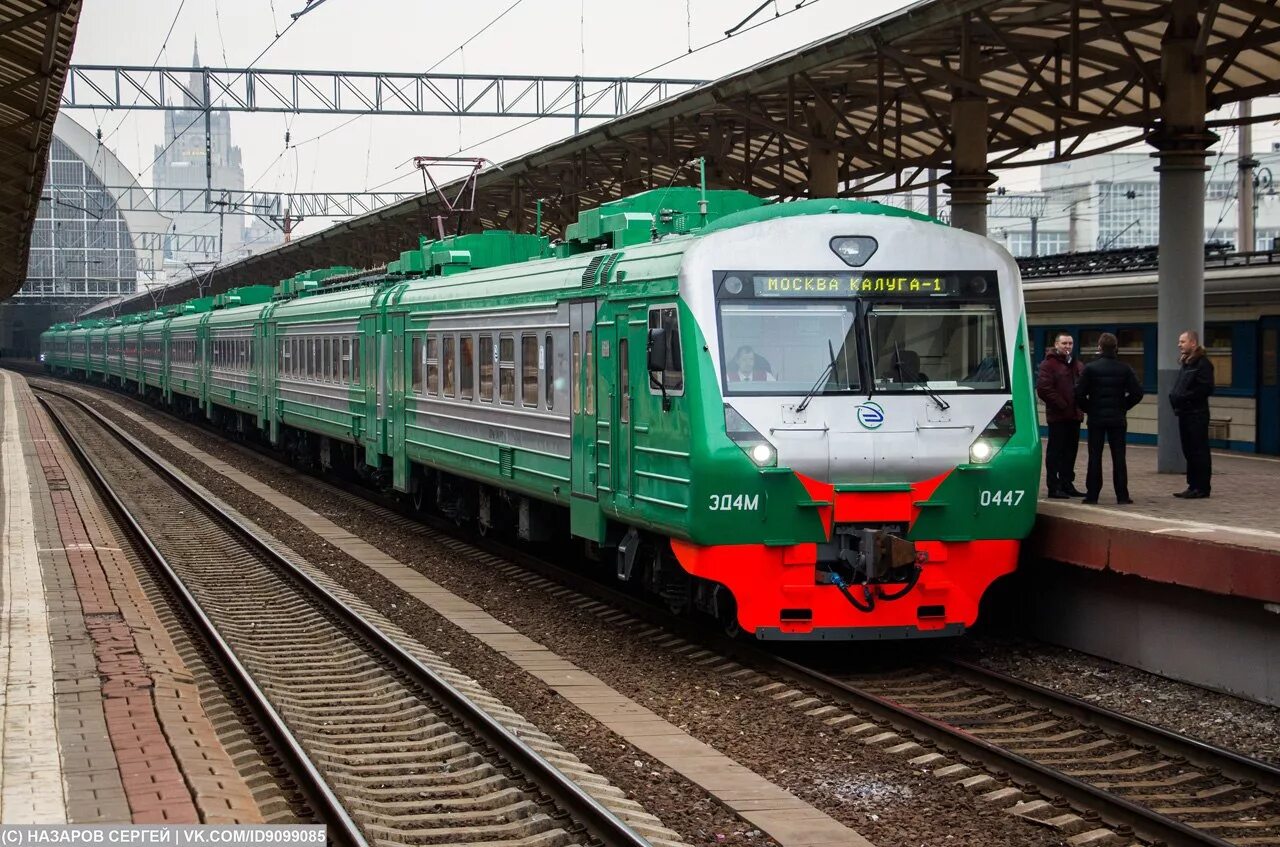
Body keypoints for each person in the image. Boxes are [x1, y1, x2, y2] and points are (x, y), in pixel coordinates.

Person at [1074, 332, 1144, 505]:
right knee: (1119, 457)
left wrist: (1089, 408)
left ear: (1099, 348)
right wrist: (1123, 406)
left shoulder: (1090, 368)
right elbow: (1137, 393)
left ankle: (1092, 495)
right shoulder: (1125, 368)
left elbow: (1079, 393)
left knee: (1095, 456)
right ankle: (1122, 495)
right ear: (1116, 348)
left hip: (1096, 419)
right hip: (1118, 419)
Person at [1036, 332, 1085, 498]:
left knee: (1070, 452)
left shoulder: (1077, 365)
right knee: (1055, 452)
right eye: (1064, 343)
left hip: (1075, 416)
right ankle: (1053, 486)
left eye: (1070, 343)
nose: (1068, 347)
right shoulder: (1048, 365)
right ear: (1056, 344)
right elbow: (1044, 389)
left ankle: (1067, 483)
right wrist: (1062, 404)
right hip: (1058, 416)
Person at [1169, 329, 1215, 498]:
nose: (1179, 344)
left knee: (1199, 450)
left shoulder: (1203, 364)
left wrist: (1183, 397)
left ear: (1193, 343)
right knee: (1188, 450)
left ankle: (1202, 487)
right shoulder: (1187, 364)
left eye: (1182, 341)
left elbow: (1205, 388)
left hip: (1197, 413)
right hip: (1185, 413)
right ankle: (1192, 485)